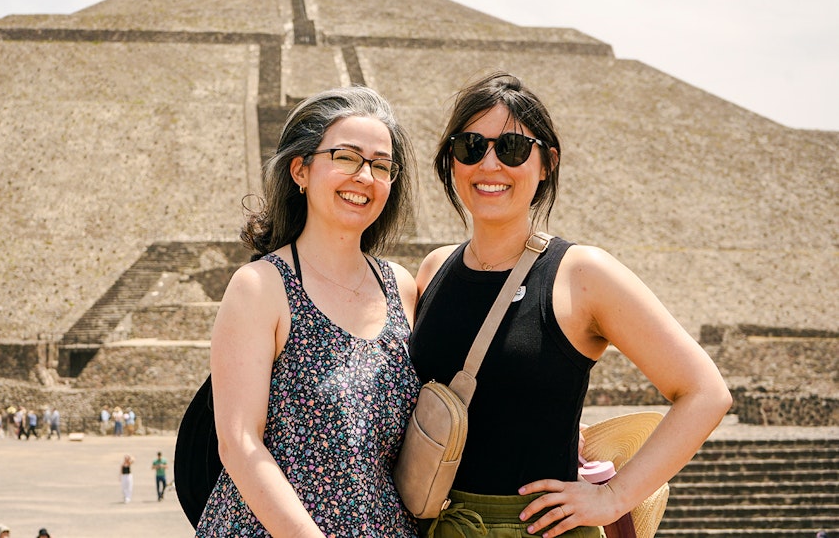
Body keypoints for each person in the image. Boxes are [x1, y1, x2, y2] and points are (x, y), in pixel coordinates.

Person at [409, 71, 733, 537]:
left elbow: (705, 393)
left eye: (513, 148)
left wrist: (614, 497)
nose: (490, 164)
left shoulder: (582, 275)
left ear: (547, 163)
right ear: (452, 162)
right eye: (471, 147)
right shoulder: (434, 269)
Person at [194, 86, 421, 536]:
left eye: (381, 165)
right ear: (301, 169)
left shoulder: (401, 286)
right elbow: (239, 444)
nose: (365, 176)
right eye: (346, 157)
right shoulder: (261, 287)